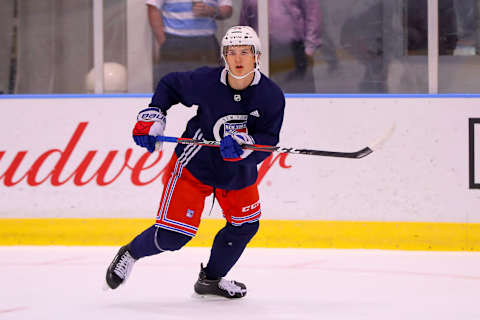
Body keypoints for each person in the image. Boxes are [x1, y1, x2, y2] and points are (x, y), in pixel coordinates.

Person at [105, 26, 285, 299]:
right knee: (173, 237)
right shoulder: (207, 81)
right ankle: (130, 252)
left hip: (237, 172)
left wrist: (246, 148)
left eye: (245, 52)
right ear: (224, 56)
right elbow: (169, 85)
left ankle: (211, 280)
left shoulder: (271, 96)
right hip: (195, 166)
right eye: (231, 52)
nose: (238, 58)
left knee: (245, 225)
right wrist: (154, 115)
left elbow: (268, 141)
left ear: (256, 57)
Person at [239, 0, 322, 93]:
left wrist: (308, 50)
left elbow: (313, 14)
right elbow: (245, 20)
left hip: (294, 52)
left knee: (300, 96)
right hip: (260, 53)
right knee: (263, 97)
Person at [146, 0, 233, 86]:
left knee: (209, 87)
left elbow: (227, 10)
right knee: (171, 87)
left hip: (206, 43)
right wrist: (164, 42)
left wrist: (212, 11)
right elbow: (153, 8)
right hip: (174, 41)